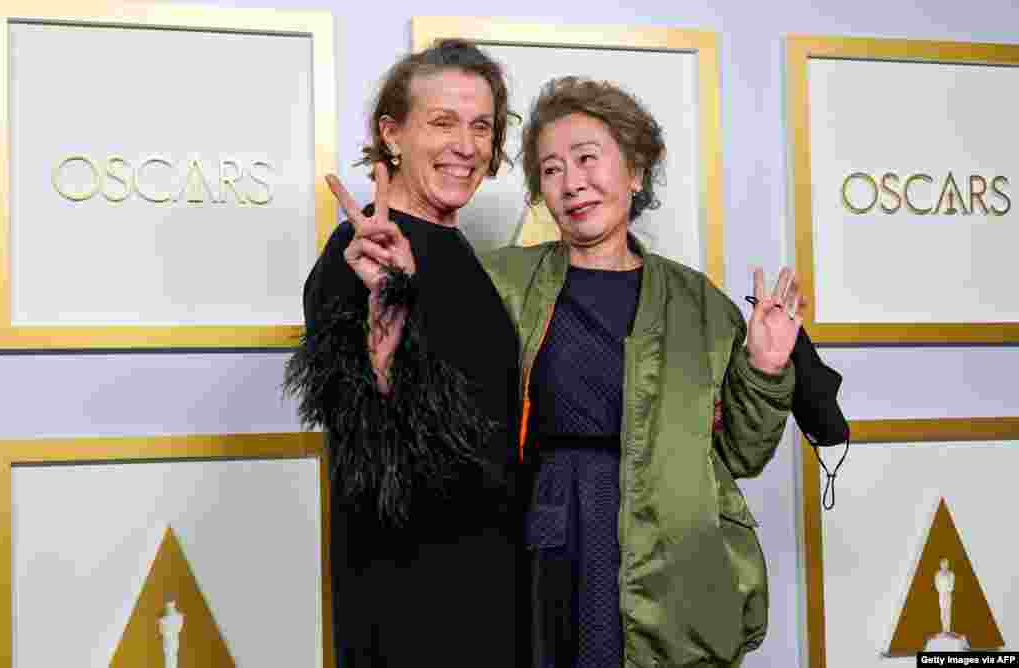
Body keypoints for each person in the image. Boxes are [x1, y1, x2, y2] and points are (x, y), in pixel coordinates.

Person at [347, 75, 802, 667]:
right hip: (544, 544)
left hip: (671, 561)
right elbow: (428, 405)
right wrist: (397, 298)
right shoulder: (499, 281)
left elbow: (743, 452)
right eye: (552, 170)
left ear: (635, 172)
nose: (572, 183)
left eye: (588, 159)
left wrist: (766, 367)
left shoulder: (697, 302)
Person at [283, 40, 525, 668]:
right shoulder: (359, 255)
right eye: (442, 122)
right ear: (392, 134)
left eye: (481, 126)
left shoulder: (462, 252)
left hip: (493, 582)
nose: (466, 145)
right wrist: (388, 329)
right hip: (409, 595)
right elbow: (373, 449)